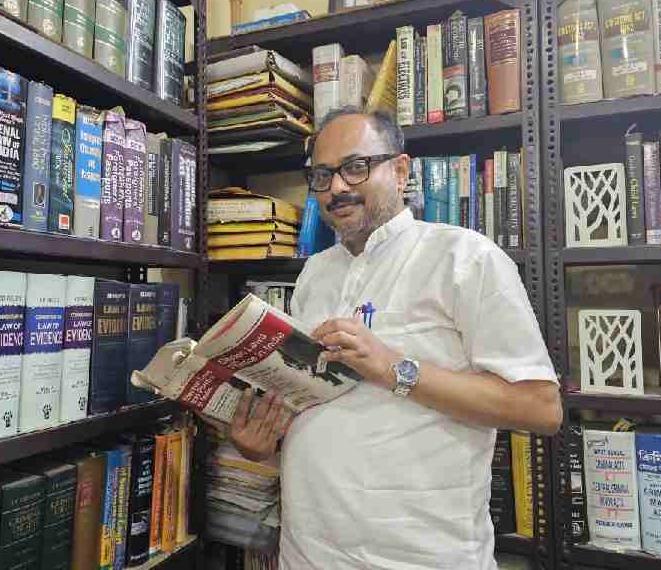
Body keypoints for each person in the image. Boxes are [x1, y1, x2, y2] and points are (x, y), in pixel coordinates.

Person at [229, 107, 561, 570]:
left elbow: (541, 408)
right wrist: (263, 443)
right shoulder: (314, 273)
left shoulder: (465, 257)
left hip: (423, 557)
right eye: (322, 175)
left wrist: (393, 369)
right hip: (308, 552)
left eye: (355, 166)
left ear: (401, 170)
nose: (337, 187)